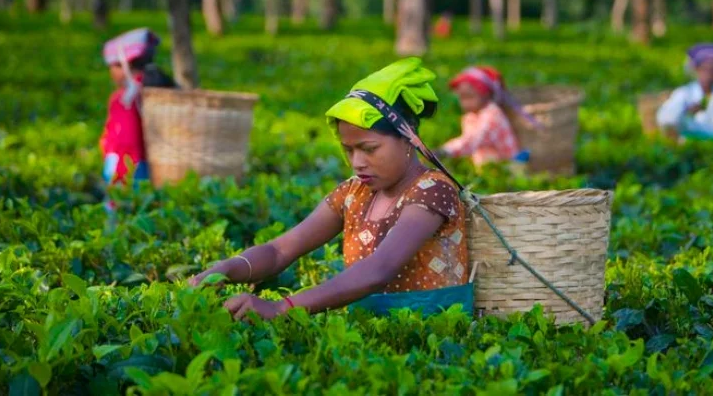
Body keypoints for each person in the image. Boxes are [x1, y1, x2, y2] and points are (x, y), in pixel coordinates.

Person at [189, 58, 471, 320]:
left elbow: (379, 269)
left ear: (409, 137)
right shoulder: (353, 193)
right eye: (348, 150)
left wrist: (281, 308)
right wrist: (226, 268)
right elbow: (279, 250)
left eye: (369, 149)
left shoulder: (432, 190)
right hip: (370, 332)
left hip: (430, 335)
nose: (357, 162)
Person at [100, 28, 175, 187]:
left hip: (127, 167)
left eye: (113, 66)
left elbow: (126, 140)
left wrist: (120, 176)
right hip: (152, 165)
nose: (111, 72)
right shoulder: (155, 90)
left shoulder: (125, 98)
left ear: (123, 64)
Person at [440, 66, 534, 168]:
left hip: (508, 167)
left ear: (486, 94)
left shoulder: (492, 114)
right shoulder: (470, 116)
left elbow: (472, 141)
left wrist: (445, 151)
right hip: (490, 168)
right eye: (462, 98)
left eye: (470, 97)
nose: (466, 103)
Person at [656, 43, 713, 141]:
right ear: (696, 70)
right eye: (704, 69)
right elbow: (665, 120)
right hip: (693, 148)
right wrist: (686, 112)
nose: (709, 74)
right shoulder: (684, 93)